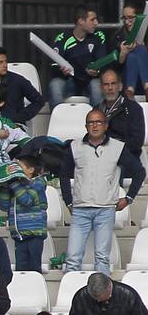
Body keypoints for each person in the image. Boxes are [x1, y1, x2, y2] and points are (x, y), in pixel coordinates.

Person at [67, 109, 128, 274]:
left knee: (102, 258)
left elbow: (139, 172)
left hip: (105, 208)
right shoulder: (74, 146)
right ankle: (72, 296)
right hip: (80, 209)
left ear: (106, 125)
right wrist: (68, 201)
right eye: (91, 122)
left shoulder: (118, 147)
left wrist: (128, 198)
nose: (94, 126)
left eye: (98, 122)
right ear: (86, 126)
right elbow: (62, 174)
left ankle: (103, 297)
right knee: (72, 259)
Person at [0, 155, 49, 273]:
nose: (16, 170)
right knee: (21, 271)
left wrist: (14, 183)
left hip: (34, 235)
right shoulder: (16, 186)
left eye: (19, 167)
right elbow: (3, 206)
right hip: (19, 236)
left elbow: (27, 200)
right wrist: (5, 186)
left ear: (31, 170)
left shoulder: (38, 182)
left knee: (34, 269)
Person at [49, 5, 108, 106]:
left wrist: (97, 70)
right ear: (81, 21)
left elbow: (103, 62)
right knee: (55, 85)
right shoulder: (63, 39)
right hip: (69, 81)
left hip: (90, 80)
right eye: (92, 20)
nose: (96, 23)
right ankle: (58, 120)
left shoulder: (98, 37)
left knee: (97, 86)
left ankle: (98, 120)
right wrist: (62, 71)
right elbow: (53, 67)